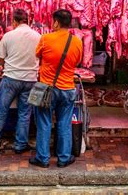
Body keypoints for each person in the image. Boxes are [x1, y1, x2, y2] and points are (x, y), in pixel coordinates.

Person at [0, 9, 41, 153]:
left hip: (11, 78)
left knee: (1, 110)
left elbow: (0, 57)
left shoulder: (9, 35)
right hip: (30, 80)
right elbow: (41, 56)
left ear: (14, 22)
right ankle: (20, 144)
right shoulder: (38, 36)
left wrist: (6, 65)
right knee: (25, 113)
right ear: (28, 21)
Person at [29, 9, 83, 168]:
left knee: (44, 123)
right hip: (67, 88)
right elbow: (77, 62)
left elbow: (38, 55)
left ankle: (43, 158)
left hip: (47, 89)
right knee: (64, 124)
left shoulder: (45, 39)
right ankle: (64, 158)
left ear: (57, 22)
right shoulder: (77, 41)